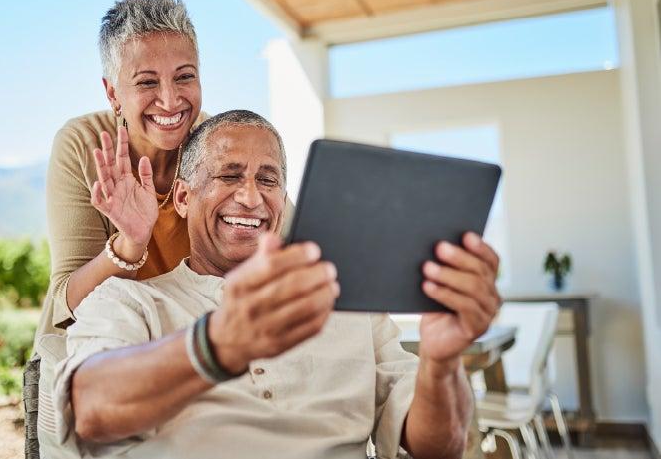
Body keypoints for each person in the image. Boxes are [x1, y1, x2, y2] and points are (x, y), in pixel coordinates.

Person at [48, 110, 503, 459]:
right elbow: (89, 409)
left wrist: (441, 362)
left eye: (268, 180)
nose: (250, 197)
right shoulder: (129, 299)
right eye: (229, 176)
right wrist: (218, 345)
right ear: (183, 198)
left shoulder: (349, 305)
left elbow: (437, 446)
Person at [26, 0, 207, 459]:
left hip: (185, 365)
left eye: (184, 77)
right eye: (147, 82)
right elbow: (66, 298)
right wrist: (130, 242)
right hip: (87, 368)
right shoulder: (83, 144)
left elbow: (285, 237)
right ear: (112, 92)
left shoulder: (218, 144)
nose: (170, 100)